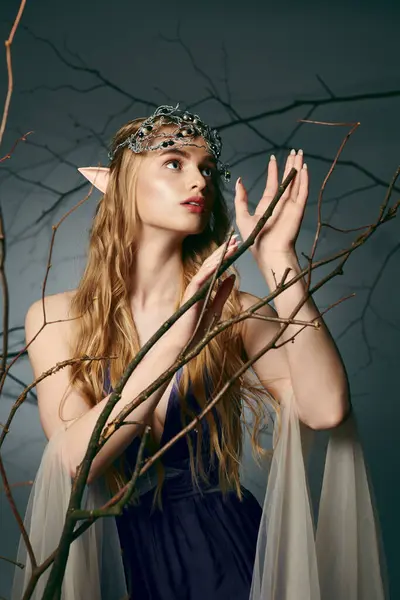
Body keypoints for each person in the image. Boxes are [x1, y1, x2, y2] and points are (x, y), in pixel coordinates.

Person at [11, 104, 388, 600]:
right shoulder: (58, 318)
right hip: (114, 555)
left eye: (207, 168)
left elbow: (327, 409)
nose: (200, 181)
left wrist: (279, 260)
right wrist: (176, 340)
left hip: (225, 552)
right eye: (175, 162)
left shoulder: (236, 311)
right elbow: (78, 462)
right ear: (119, 183)